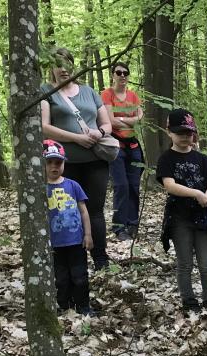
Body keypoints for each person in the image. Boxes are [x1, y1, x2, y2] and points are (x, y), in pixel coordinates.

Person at [40, 47, 113, 269]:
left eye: (67, 64)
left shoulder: (89, 92)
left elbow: (107, 124)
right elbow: (44, 127)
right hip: (64, 164)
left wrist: (98, 133)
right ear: (51, 68)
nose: (63, 69)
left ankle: (100, 259)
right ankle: (73, 260)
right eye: (58, 64)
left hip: (96, 161)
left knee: (95, 210)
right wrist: (76, 138)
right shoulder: (46, 91)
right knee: (67, 210)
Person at [157, 109, 207, 312]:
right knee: (185, 263)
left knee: (206, 263)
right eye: (180, 133)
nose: (185, 137)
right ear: (169, 132)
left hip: (203, 216)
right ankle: (189, 302)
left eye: (189, 133)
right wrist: (196, 193)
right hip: (179, 217)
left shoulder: (201, 158)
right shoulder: (166, 158)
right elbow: (169, 185)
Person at [43, 140, 94, 316]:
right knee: (61, 278)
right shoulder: (40, 189)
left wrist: (88, 234)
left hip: (76, 241)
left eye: (58, 162)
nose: (54, 166)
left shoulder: (73, 185)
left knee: (80, 276)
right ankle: (65, 307)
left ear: (64, 163)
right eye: (49, 162)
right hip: (54, 244)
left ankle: (83, 306)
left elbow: (84, 211)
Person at [101, 61, 144, 242]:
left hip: (133, 146)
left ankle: (132, 224)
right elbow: (110, 121)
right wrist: (129, 120)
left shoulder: (133, 95)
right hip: (115, 146)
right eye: (118, 72)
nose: (122, 76)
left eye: (125, 73)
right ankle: (119, 227)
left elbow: (140, 117)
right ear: (113, 75)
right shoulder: (106, 94)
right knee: (121, 186)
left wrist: (122, 120)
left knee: (134, 186)